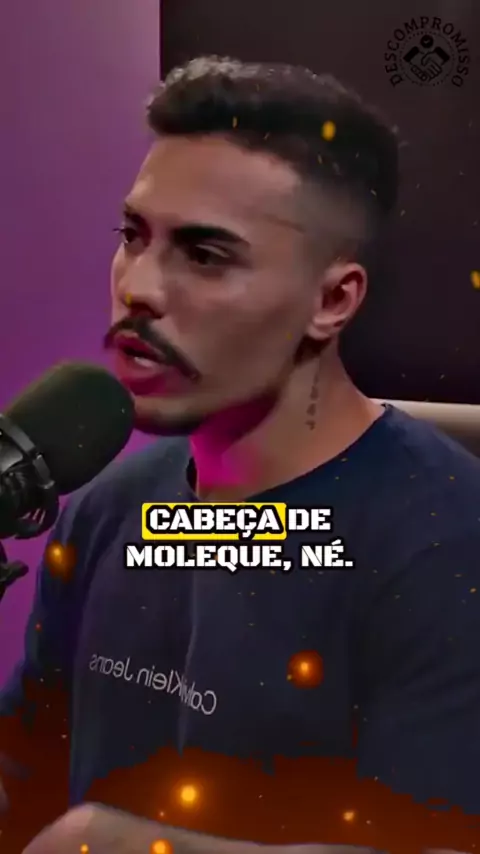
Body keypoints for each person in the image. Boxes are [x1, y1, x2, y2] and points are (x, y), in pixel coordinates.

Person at [1, 56, 480, 854]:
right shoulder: (106, 508)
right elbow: (24, 776)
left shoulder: (449, 546)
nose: (138, 287)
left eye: (205, 254)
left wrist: (125, 846)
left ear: (332, 300)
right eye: (133, 236)